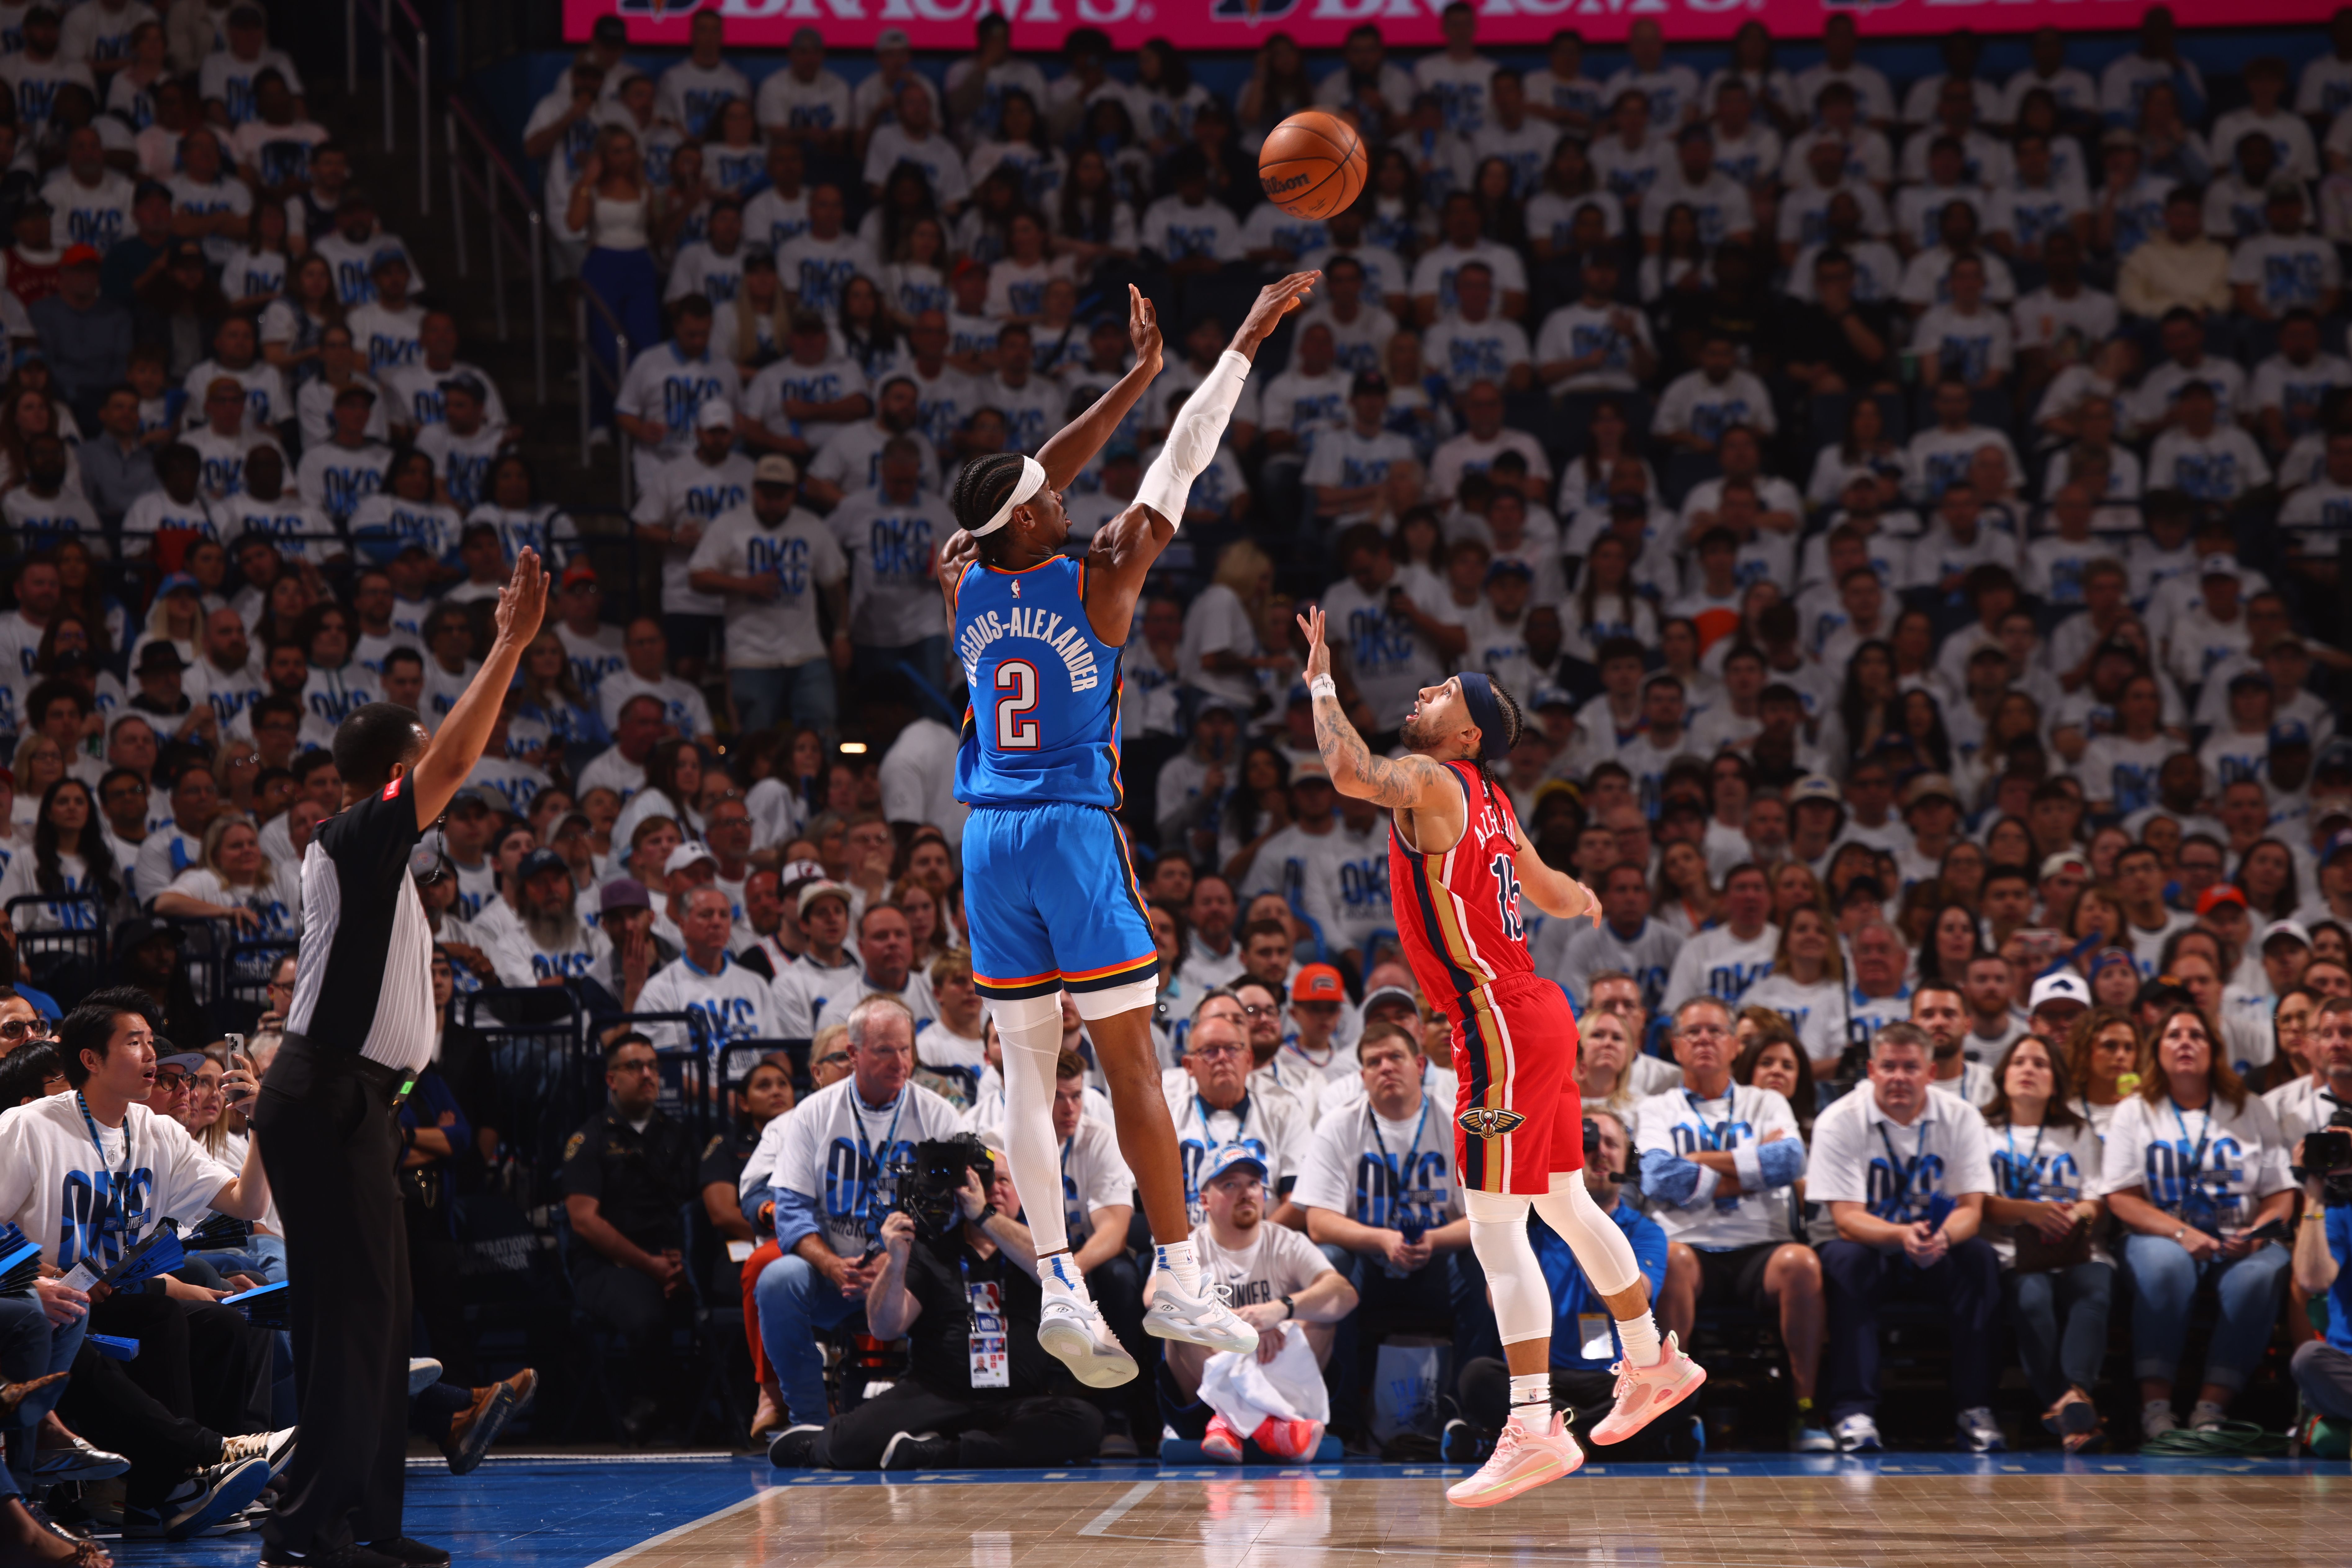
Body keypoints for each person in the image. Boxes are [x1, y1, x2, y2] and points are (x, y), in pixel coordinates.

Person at [935, 278, 1322, 1383]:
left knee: (1020, 1070)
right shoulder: (1103, 576)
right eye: (1046, 499)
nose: (1066, 497)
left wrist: (1134, 374)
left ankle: (1056, 1275)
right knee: (1130, 1067)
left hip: (985, 838)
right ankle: (1172, 1276)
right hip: (1067, 828)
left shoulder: (962, 578)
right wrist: (1236, 343)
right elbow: (1184, 459)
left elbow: (1028, 480)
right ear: (1027, 520)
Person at [1294, 607, 1698, 1508]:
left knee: (1495, 1228)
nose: (1425, 690)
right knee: (1562, 1197)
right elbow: (1548, 886)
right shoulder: (1495, 800)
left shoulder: (1438, 781)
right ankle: (1650, 1362)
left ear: (1466, 731)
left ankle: (1531, 1423)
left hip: (1497, 1024)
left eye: (1442, 692)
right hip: (1535, 1011)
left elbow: (1349, 770)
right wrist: (1583, 895)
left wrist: (1321, 679)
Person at [250, 546, 546, 1568]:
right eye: (416, 764)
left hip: (358, 1103)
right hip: (324, 1094)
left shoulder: (376, 861)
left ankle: (365, 1523)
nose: (433, 779)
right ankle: (300, 1527)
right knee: (347, 1321)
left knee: (383, 1318)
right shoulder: (351, 838)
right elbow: (456, 765)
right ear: (394, 771)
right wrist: (507, 645)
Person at [767, 1135, 1105, 1471]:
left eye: (1006, 1181)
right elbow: (885, 1328)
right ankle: (819, 1444)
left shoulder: (1038, 1249)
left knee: (1085, 1422)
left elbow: (1055, 1271)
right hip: (936, 1394)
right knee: (849, 1445)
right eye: (987, 1181)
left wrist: (985, 1216)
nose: (996, 1189)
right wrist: (896, 1261)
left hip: (1013, 1401)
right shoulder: (930, 1250)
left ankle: (935, 1452)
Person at [750, 995, 966, 1436]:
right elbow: (790, 1211)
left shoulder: (938, 1115)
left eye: (906, 1049)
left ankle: (935, 1417)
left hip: (908, 1275)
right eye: (885, 1050)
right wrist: (831, 1264)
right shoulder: (812, 1115)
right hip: (834, 1273)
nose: (900, 1061)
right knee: (776, 1279)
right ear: (853, 1054)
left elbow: (950, 1215)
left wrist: (897, 1262)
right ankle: (809, 1422)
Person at [1448, 1109, 1702, 1463]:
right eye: (1586, 1145)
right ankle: (1621, 1444)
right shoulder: (1528, 1228)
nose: (1599, 1154)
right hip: (1547, 1380)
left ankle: (1557, 1442)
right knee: (1478, 1377)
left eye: (1611, 1144)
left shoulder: (1644, 1231)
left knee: (1683, 1389)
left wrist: (1581, 1227)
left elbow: (1639, 1295)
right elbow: (1497, 1301)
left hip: (1615, 1382)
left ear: (1627, 1158)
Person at [1637, 996, 1829, 1451]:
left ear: (1733, 1046)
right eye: (1693, 1033)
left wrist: (1698, 1164)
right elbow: (1657, 1176)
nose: (1704, 1040)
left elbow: (1786, 1161)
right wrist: (1748, 1173)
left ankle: (1804, 1409)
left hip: (1759, 1246)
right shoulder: (1656, 1108)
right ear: (1676, 1046)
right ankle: (1665, 1412)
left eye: (1715, 1032)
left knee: (1802, 1262)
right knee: (1674, 1258)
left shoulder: (1766, 1102)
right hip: (1688, 1245)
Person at [2098, 1003, 2295, 1439]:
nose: (2185, 1042)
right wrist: (2180, 1233)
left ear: (2214, 1050)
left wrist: (2258, 1235)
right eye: (2173, 1035)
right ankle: (2156, 1409)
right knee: (2165, 1267)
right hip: (2161, 1236)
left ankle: (2210, 1410)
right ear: (2158, 1050)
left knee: (2258, 1277)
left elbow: (2281, 1195)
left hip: (2239, 1241)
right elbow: (2120, 1198)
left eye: (2196, 1036)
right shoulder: (2135, 1111)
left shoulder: (2249, 1108)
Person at [1807, 1022, 2002, 1454]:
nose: (1899, 1077)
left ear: (1930, 1073)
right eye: (1889, 1067)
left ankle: (1976, 1407)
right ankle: (1852, 1410)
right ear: (1872, 1071)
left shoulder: (1961, 1117)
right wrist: (1902, 1235)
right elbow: (1845, 1219)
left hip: (1934, 1245)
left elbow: (1972, 1208)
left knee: (1980, 1259)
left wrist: (1943, 1238)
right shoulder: (1839, 1121)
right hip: (1866, 1244)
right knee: (1847, 1260)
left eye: (1910, 1067)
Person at [1293, 1021, 1487, 1436]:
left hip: (1439, 1263)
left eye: (1395, 1057)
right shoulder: (1338, 1126)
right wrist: (1381, 1239)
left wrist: (1433, 1241)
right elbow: (1318, 1222)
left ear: (1419, 1065)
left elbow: (1484, 1216)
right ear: (1361, 1076)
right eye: (1373, 1062)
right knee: (1330, 1265)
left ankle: (1464, 1414)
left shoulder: (1455, 1124)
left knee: (1487, 1260)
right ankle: (1341, 1418)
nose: (1385, 1068)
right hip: (1370, 1265)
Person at [1151, 1144, 1358, 1464]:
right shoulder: (1189, 1248)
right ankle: (1268, 1428)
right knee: (1175, 1322)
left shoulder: (1287, 1242)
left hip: (1272, 1386)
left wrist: (1281, 1311)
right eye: (1230, 1185)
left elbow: (1344, 1294)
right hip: (1202, 1406)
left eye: (1253, 1184)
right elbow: (1154, 1297)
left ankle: (1231, 1424)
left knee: (1323, 1314)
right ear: (1204, 1201)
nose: (1246, 1193)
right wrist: (1239, 1326)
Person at [1980, 1032, 2112, 1452]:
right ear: (2003, 1077)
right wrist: (2029, 1213)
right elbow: (1977, 1202)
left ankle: (2072, 1399)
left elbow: (2095, 1198)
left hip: (2074, 1248)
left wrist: (2072, 1216)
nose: (2028, 1071)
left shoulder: (2077, 1132)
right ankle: (2072, 1412)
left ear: (2055, 1081)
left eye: (2040, 1064)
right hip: (2009, 1251)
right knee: (2033, 1299)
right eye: (2019, 1062)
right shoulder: (1983, 1132)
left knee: (2093, 1291)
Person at [560, 1034, 696, 1440]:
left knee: (727, 1299)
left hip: (672, 1259)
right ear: (611, 1079)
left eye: (653, 1066)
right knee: (646, 1314)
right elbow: (584, 1221)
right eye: (635, 1067)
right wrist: (650, 1266)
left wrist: (683, 1262)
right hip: (608, 1263)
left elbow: (698, 1205)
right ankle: (652, 1406)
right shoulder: (589, 1140)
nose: (648, 1075)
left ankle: (705, 1409)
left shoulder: (680, 1135)